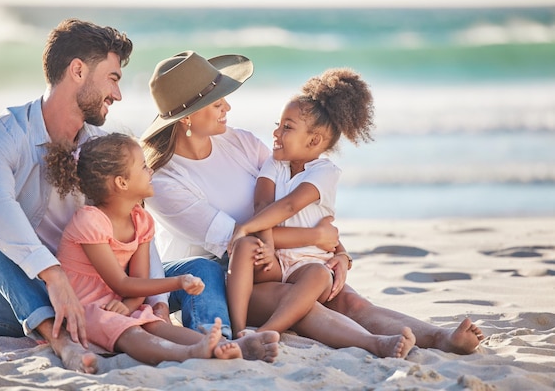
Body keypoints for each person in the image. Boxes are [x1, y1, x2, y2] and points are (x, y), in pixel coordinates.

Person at [141, 50, 484, 356]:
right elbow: (234, 238)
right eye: (217, 103)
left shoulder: (241, 142)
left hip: (287, 257)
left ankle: (441, 338)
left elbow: (294, 197)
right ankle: (373, 344)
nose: (227, 107)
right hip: (231, 277)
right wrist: (315, 239)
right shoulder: (164, 180)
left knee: (348, 299)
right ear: (187, 117)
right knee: (302, 305)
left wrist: (338, 251)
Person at [0, 18, 136, 373]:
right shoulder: (3, 133)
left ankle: (223, 336)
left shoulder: (99, 152)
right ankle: (61, 343)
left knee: (194, 270)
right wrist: (52, 275)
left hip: (80, 295)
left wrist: (151, 300)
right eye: (113, 79)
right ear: (77, 70)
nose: (117, 94)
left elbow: (131, 219)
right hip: (2, 303)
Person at [224, 67, 415, 358]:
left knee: (318, 274)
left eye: (287, 127)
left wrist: (247, 227)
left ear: (314, 141)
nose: (276, 132)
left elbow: (289, 205)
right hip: (275, 262)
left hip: (307, 263)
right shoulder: (274, 164)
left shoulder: (325, 172)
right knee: (245, 246)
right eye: (278, 124)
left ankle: (267, 331)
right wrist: (263, 242)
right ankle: (239, 331)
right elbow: (263, 206)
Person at [44, 133, 244, 364]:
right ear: (122, 182)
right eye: (143, 167)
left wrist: (127, 305)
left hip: (117, 302)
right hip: (83, 309)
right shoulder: (90, 221)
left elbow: (139, 282)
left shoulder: (141, 220)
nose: (150, 172)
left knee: (153, 323)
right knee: (131, 331)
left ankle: (223, 346)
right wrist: (178, 282)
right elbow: (122, 283)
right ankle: (188, 353)